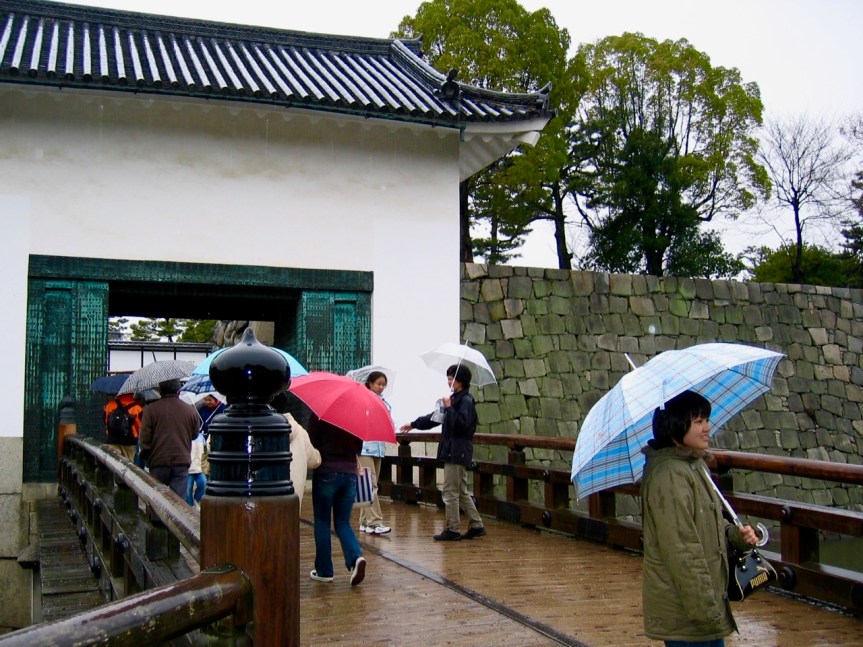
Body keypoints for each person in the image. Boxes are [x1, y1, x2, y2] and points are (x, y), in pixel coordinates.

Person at [641, 390, 759, 647]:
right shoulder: (669, 477)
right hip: (689, 613)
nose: (707, 428)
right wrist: (706, 610)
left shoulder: (693, 466)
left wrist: (736, 536)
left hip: (705, 604)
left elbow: (708, 525)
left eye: (706, 419)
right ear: (674, 426)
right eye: (698, 422)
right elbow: (681, 549)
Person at [399, 364, 486, 541]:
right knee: (460, 491)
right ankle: (476, 525)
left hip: (457, 452)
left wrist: (449, 407)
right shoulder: (454, 400)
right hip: (454, 451)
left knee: (450, 492)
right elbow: (434, 418)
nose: (448, 381)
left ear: (460, 380)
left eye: (451, 378)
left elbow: (461, 425)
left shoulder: (466, 401)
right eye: (448, 378)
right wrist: (414, 424)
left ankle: (453, 529)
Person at [308, 414, 366, 586]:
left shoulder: (320, 413)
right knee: (342, 522)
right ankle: (356, 557)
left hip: (326, 471)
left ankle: (324, 571)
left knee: (322, 521)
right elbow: (359, 446)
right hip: (349, 474)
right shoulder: (356, 414)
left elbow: (312, 441)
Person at [139, 378, 202, 499]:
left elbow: (145, 439)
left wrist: (146, 456)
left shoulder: (151, 410)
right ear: (179, 390)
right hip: (181, 461)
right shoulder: (190, 410)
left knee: (157, 500)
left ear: (160, 390)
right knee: (177, 504)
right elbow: (195, 434)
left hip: (158, 461)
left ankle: (156, 518)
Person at [270, 391, 321, 512]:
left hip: (265, 496)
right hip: (293, 496)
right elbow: (314, 461)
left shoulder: (261, 429)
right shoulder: (300, 431)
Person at [358, 371, 393, 535]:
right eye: (378, 384)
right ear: (370, 383)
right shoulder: (362, 399)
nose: (381, 387)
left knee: (369, 485)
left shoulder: (383, 402)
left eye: (383, 385)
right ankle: (375, 522)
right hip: (364, 447)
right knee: (370, 485)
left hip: (378, 447)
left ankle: (364, 521)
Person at [103, 392, 144, 461]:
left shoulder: (110, 405)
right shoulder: (137, 408)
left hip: (112, 440)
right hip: (129, 442)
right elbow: (141, 426)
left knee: (113, 463)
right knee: (128, 465)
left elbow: (106, 421)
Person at [186, 431, 207, 507]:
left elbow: (205, 451)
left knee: (203, 483)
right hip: (188, 468)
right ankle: (190, 507)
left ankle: (195, 502)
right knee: (188, 490)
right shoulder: (185, 436)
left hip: (198, 468)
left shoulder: (201, 437)